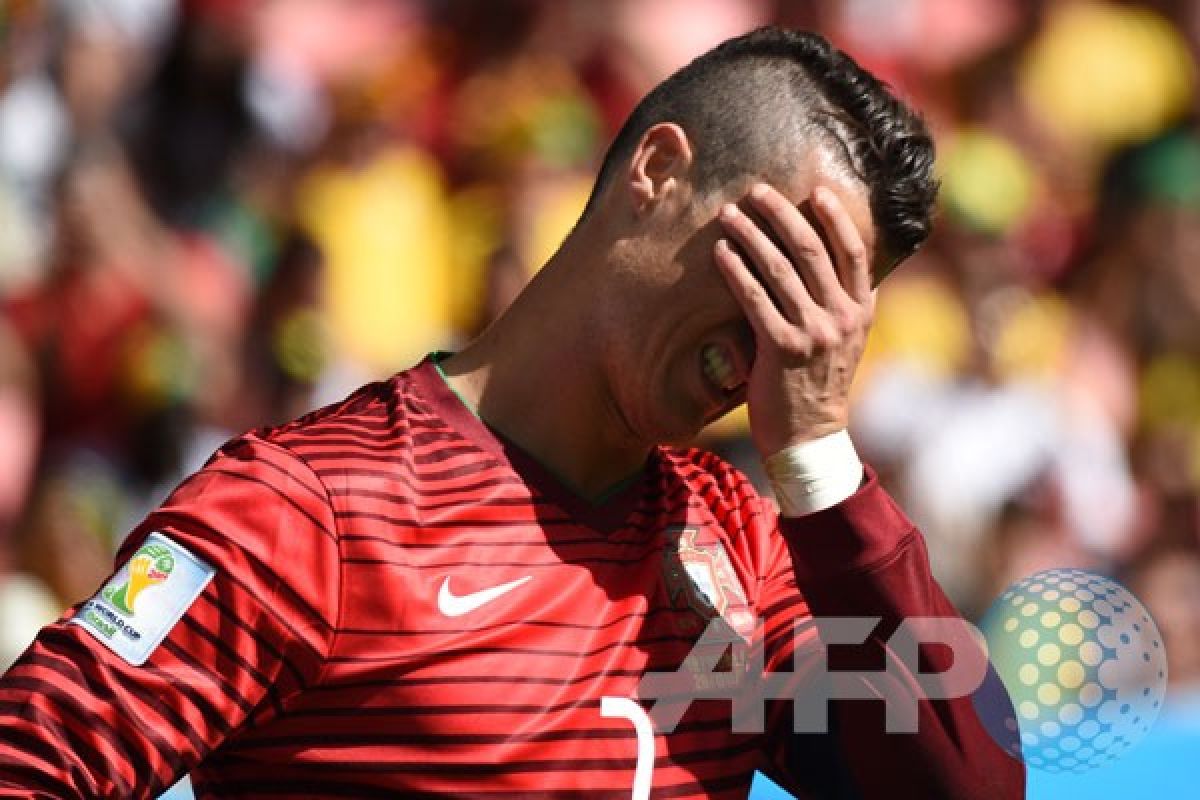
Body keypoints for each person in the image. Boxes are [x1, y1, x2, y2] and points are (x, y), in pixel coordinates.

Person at [0, 28, 1024, 799]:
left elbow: (969, 787)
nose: (802, 334)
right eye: (787, 266)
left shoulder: (743, 552)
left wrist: (814, 459)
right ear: (658, 173)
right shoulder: (311, 510)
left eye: (845, 303)